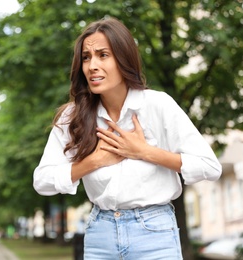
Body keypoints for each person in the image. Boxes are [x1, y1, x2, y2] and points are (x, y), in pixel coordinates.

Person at [33, 17, 222, 260]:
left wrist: (144, 151)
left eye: (103, 55)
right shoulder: (74, 116)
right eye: (87, 57)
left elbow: (210, 167)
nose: (92, 66)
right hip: (100, 234)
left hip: (154, 232)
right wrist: (95, 161)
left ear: (123, 59)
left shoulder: (157, 105)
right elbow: (42, 180)